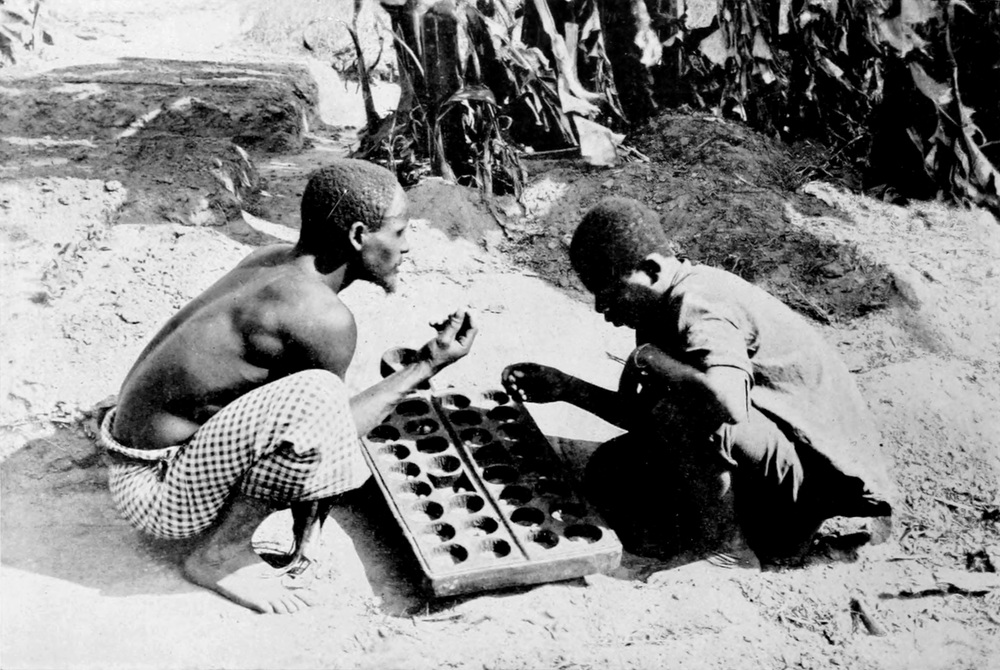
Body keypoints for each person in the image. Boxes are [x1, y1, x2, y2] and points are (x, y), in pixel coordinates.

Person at [99, 159, 477, 613]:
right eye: (399, 232)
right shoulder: (322, 317)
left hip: (126, 456)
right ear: (358, 236)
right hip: (158, 499)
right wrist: (426, 366)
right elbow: (331, 429)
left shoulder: (271, 259)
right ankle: (220, 555)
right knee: (317, 397)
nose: (407, 246)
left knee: (311, 398)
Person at [502, 197, 893, 565]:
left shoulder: (700, 305)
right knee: (611, 470)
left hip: (821, 482)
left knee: (685, 415)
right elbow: (646, 414)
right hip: (773, 455)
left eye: (610, 290)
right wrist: (567, 387)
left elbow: (726, 406)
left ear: (651, 270)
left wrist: (650, 358)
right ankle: (728, 522)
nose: (600, 307)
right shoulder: (659, 305)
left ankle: (727, 548)